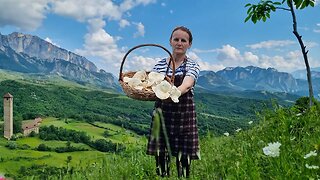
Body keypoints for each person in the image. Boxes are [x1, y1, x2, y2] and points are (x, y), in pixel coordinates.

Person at [146, 26, 200, 178]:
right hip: (162, 113)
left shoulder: (192, 65)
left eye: (184, 40)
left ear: (189, 44)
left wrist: (173, 92)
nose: (179, 43)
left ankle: (182, 177)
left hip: (184, 114)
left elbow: (187, 83)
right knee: (161, 154)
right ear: (170, 41)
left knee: (184, 155)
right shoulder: (160, 65)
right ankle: (163, 176)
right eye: (176, 39)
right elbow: (152, 84)